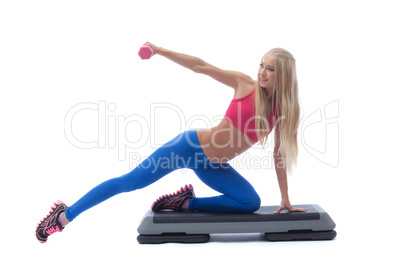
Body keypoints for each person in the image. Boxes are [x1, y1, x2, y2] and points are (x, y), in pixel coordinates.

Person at [35, 42, 307, 243]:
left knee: (249, 201)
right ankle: (63, 215)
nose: (262, 72)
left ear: (283, 75)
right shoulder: (245, 85)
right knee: (130, 182)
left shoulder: (281, 112)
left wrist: (285, 198)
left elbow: (279, 154)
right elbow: (202, 67)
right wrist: (160, 51)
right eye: (261, 64)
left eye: (270, 69)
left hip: (212, 165)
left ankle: (187, 202)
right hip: (188, 148)